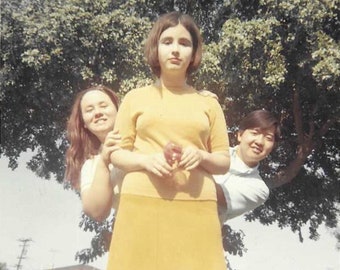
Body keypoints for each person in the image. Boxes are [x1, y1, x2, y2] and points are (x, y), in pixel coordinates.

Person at [107, 11, 230, 270]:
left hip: (197, 207)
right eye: (168, 42)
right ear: (156, 48)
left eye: (184, 43)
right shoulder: (134, 98)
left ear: (194, 53)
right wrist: (146, 161)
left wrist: (201, 156)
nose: (176, 50)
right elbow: (117, 153)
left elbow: (223, 161)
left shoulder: (209, 103)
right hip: (140, 203)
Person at [64, 85, 123, 222]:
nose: (97, 113)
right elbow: (96, 212)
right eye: (89, 110)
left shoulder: (143, 138)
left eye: (103, 106)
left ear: (118, 110)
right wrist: (103, 162)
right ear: (84, 123)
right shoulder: (91, 166)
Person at [214, 109, 281, 223]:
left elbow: (214, 195)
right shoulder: (213, 150)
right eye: (255, 133)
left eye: (268, 138)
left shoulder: (258, 188)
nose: (260, 141)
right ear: (240, 135)